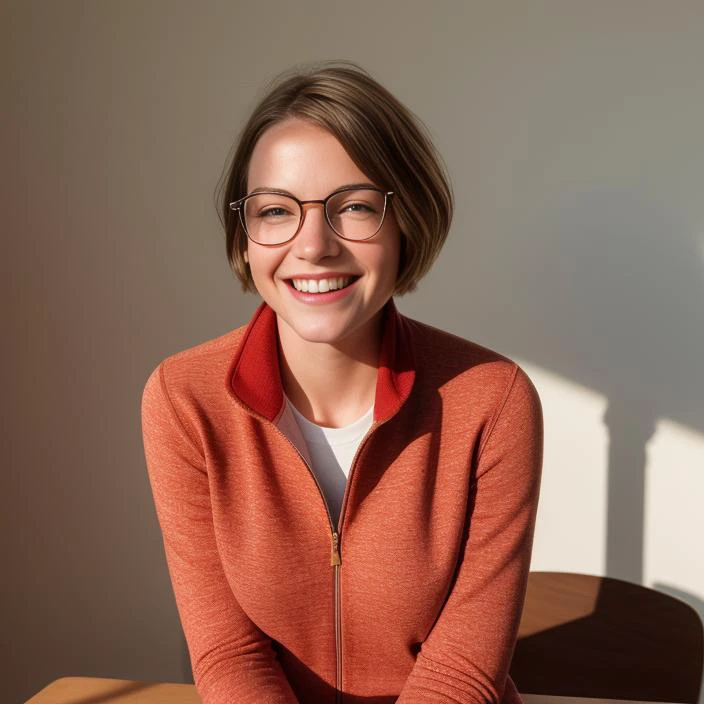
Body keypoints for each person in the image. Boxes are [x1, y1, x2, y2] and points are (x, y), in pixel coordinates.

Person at [141, 61, 543, 704]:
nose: (313, 246)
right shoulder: (183, 399)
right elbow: (229, 655)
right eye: (275, 211)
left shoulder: (493, 400)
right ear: (245, 236)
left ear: (406, 218)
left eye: (353, 207)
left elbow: (464, 671)